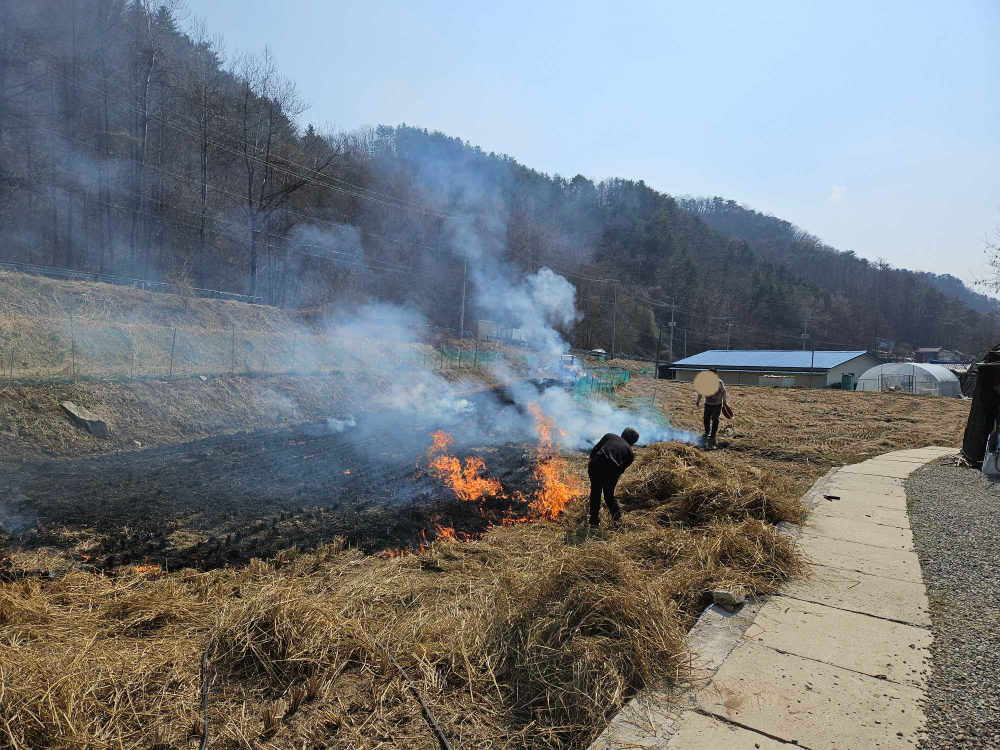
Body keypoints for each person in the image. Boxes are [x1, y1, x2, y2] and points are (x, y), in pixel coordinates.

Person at [588, 427, 639, 528]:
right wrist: (612, 479)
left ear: (622, 434)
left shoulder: (609, 436)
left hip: (596, 463)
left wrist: (591, 463)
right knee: (609, 497)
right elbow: (622, 469)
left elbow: (595, 449)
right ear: (633, 443)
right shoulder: (630, 453)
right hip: (612, 470)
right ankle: (618, 523)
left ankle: (593, 522)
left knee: (595, 492)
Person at [696, 368, 727, 448]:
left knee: (715, 419)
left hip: (717, 404)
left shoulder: (719, 382)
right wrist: (698, 401)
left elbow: (724, 392)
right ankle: (707, 432)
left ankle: (713, 435)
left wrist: (725, 401)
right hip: (708, 404)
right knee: (706, 418)